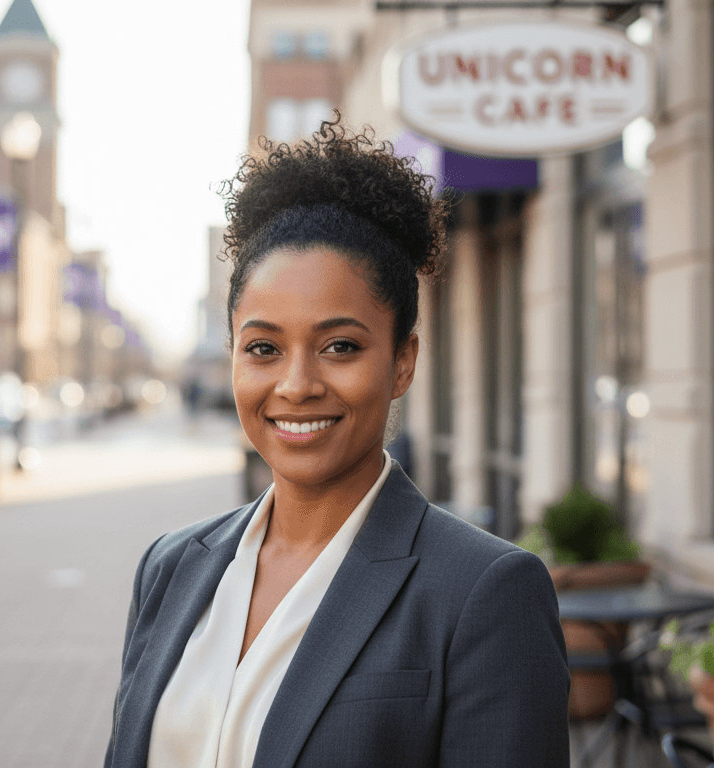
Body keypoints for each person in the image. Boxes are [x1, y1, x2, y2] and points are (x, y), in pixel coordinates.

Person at [104, 121, 569, 768]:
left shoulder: (483, 594)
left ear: (402, 362)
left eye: (340, 346)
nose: (296, 385)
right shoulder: (171, 568)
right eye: (263, 348)